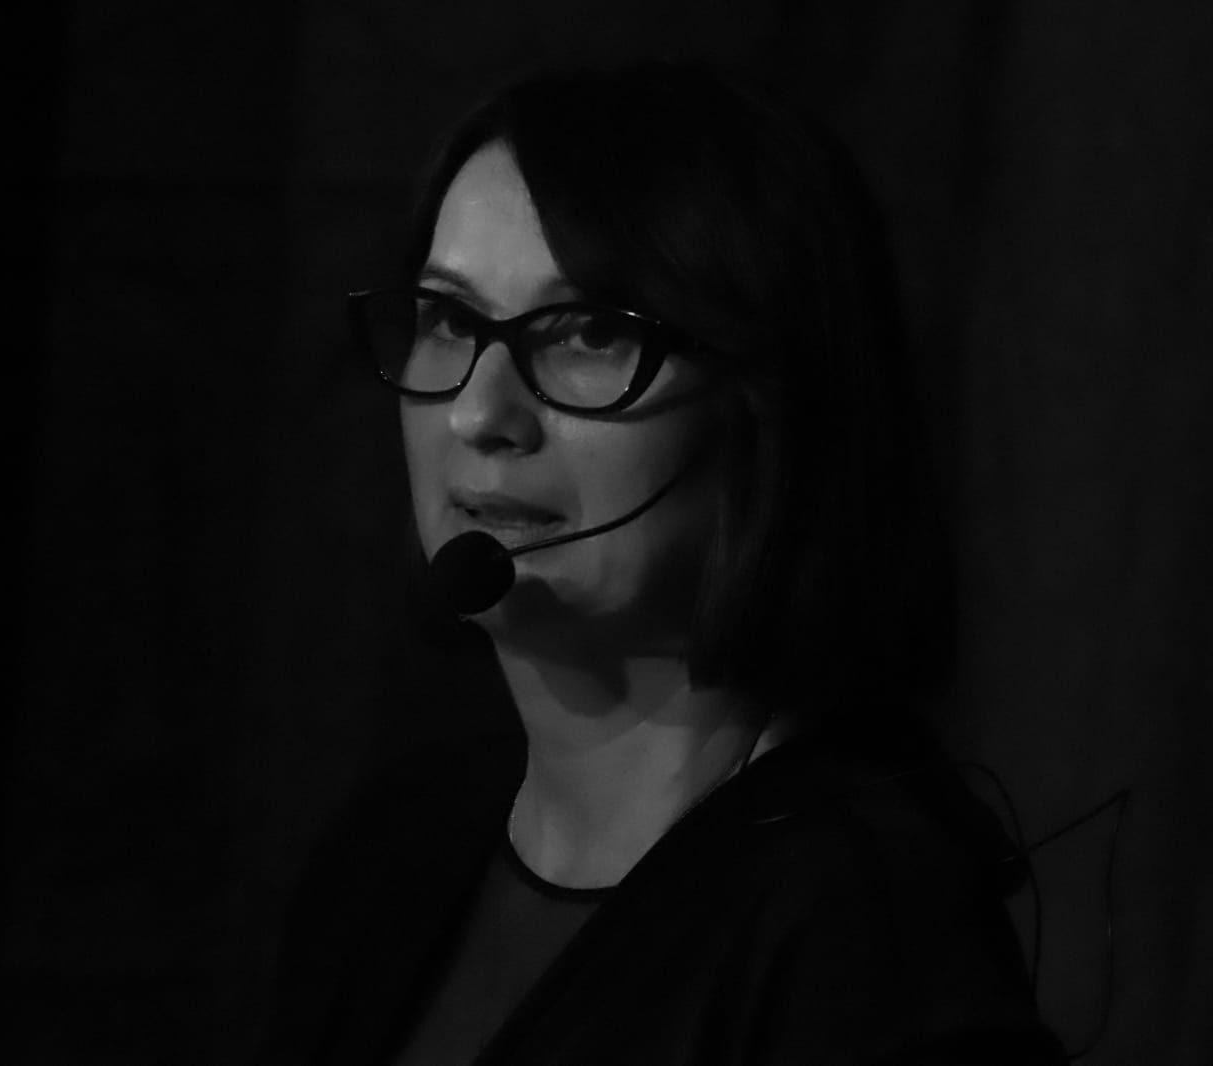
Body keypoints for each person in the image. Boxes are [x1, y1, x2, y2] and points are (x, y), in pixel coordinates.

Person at [257, 60, 1066, 1065]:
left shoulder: (860, 924)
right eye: (451, 321)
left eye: (589, 333)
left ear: (772, 402)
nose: (478, 413)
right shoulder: (395, 847)